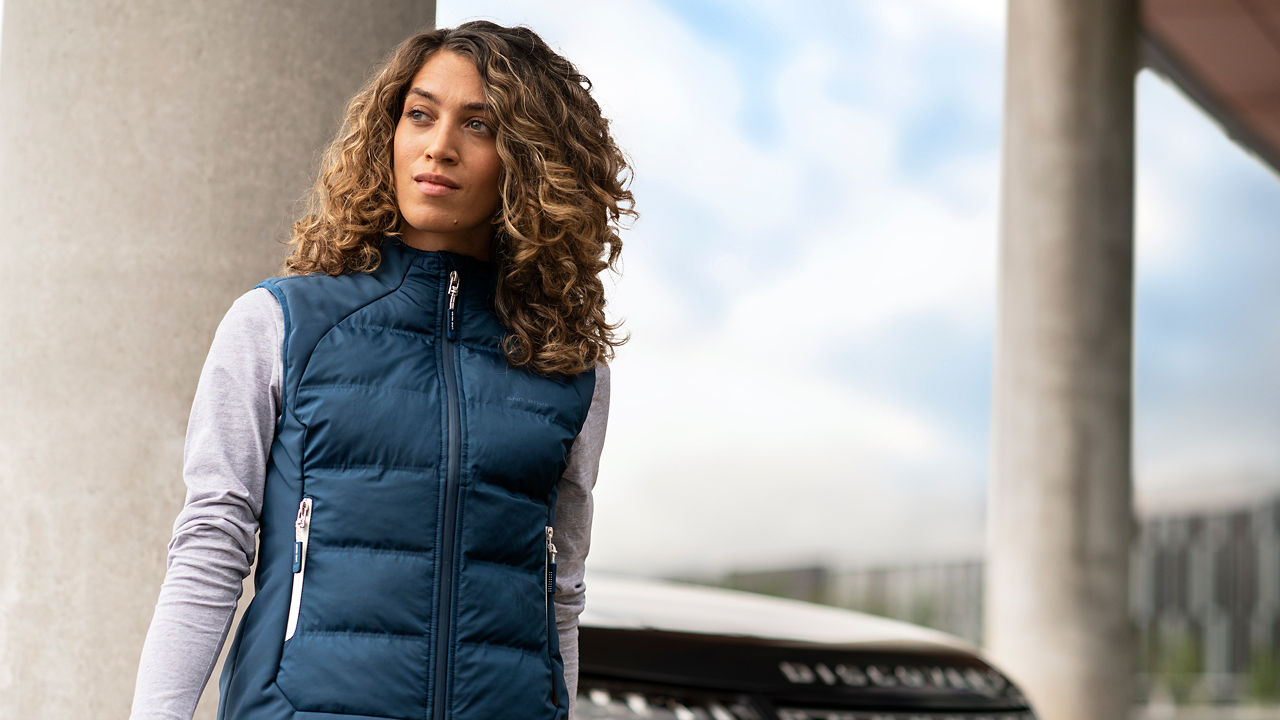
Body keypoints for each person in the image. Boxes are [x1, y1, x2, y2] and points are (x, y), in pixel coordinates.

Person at [130, 20, 633, 720]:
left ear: (530, 159)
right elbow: (211, 545)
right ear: (387, 133)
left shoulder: (568, 367)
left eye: (479, 125)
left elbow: (562, 587)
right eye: (420, 115)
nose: (439, 147)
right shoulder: (280, 324)